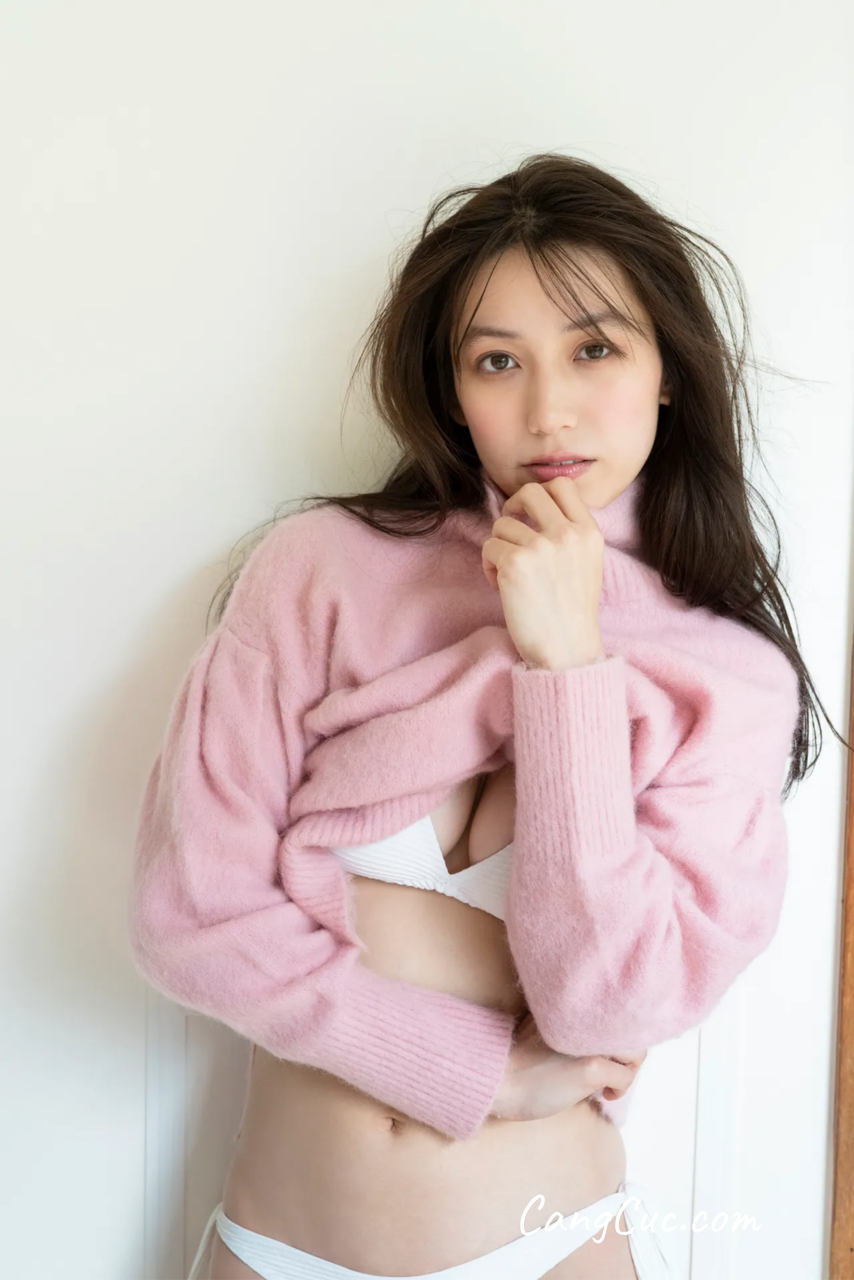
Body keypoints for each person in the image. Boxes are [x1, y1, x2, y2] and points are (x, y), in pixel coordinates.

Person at [128, 153, 831, 1280]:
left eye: (594, 348)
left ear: (667, 371)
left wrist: (568, 666)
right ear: (452, 389)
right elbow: (190, 917)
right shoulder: (319, 571)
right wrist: (479, 1071)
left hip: (555, 1247)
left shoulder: (731, 677)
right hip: (277, 1243)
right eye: (497, 360)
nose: (548, 409)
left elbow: (611, 1004)